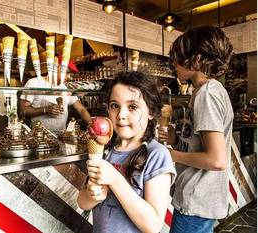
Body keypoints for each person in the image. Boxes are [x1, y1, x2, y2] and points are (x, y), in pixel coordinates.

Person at [77, 71, 176, 233]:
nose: (121, 115)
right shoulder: (105, 148)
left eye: (132, 107)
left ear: (151, 112)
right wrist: (91, 194)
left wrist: (115, 179)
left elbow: (153, 226)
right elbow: (82, 202)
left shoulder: (157, 154)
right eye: (115, 106)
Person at [158, 25, 234, 233]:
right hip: (200, 200)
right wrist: (176, 140)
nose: (173, 63)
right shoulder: (212, 90)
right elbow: (201, 147)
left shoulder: (206, 95)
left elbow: (216, 160)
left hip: (196, 199)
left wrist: (171, 154)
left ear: (198, 59)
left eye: (178, 57)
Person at [19, 77, 92, 133]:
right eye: (65, 71)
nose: (68, 76)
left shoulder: (67, 86)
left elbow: (81, 109)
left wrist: (92, 125)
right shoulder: (34, 82)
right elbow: (23, 110)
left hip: (61, 137)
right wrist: (45, 110)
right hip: (38, 137)